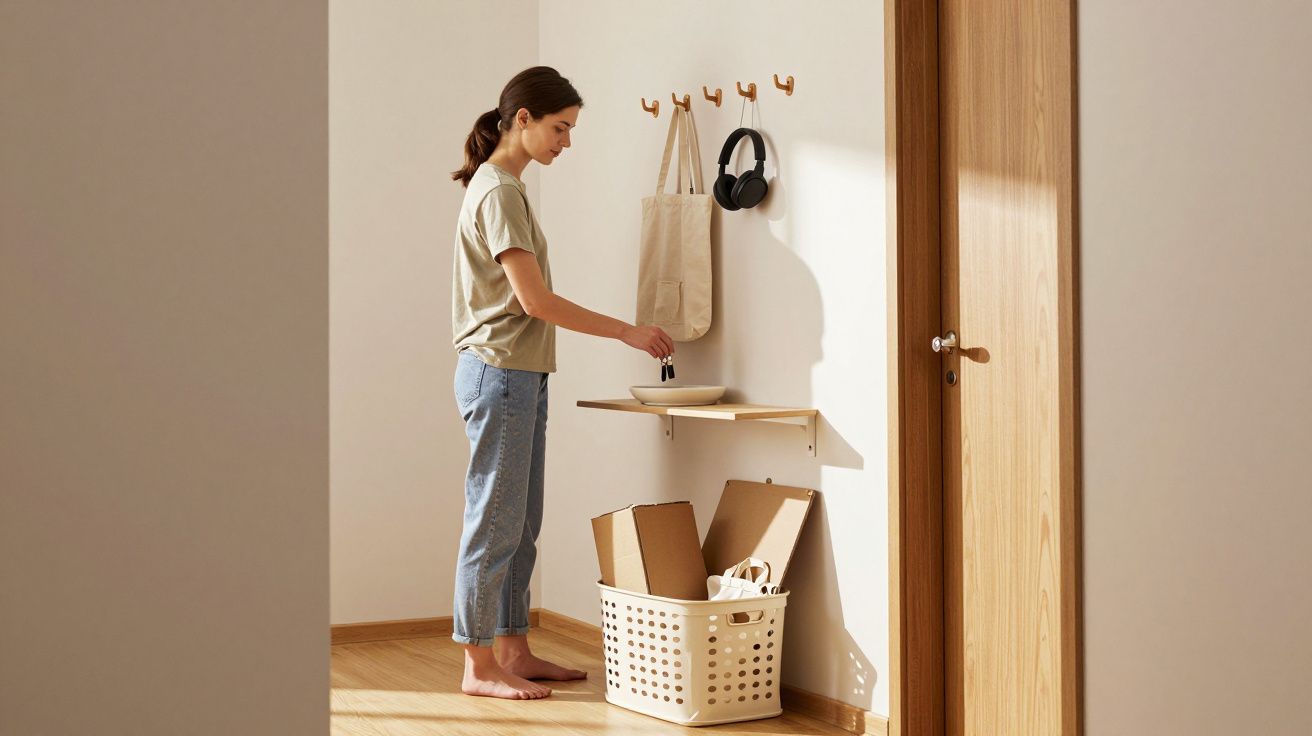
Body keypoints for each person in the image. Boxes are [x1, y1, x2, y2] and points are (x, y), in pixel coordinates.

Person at [448, 66, 675, 700]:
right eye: (560, 128)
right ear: (522, 119)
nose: (566, 142)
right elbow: (535, 301)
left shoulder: (506, 189)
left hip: (519, 374)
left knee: (519, 523)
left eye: (570, 130)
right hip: (500, 373)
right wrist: (626, 332)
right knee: (494, 522)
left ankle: (512, 649)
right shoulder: (497, 192)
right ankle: (478, 665)